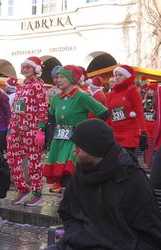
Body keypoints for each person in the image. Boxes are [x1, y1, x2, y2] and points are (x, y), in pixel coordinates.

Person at [46, 119, 161, 250]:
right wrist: (76, 235)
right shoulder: (81, 173)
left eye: (79, 146)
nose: (74, 151)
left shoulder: (132, 179)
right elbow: (67, 213)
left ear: (93, 148)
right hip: (78, 243)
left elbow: (150, 234)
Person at [44, 65, 109, 193]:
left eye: (62, 77)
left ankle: (74, 204)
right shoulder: (56, 98)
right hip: (59, 141)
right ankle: (68, 203)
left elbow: (103, 112)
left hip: (75, 143)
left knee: (70, 176)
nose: (58, 80)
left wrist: (90, 133)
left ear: (71, 79)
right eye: (57, 77)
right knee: (61, 176)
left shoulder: (82, 96)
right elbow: (51, 116)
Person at [7, 56, 48, 206]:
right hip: (16, 129)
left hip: (31, 130)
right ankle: (22, 189)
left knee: (34, 161)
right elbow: (15, 108)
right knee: (12, 158)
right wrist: (10, 129)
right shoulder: (21, 86)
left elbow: (43, 107)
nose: (24, 69)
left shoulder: (38, 86)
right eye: (22, 66)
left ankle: (37, 192)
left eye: (27, 66)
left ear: (36, 69)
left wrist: (40, 129)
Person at [107, 65, 147, 155]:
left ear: (128, 76)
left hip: (129, 133)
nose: (117, 77)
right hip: (115, 132)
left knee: (126, 162)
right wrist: (107, 130)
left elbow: (140, 112)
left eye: (120, 75)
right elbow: (110, 114)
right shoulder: (112, 94)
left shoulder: (132, 90)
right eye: (116, 75)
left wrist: (144, 132)